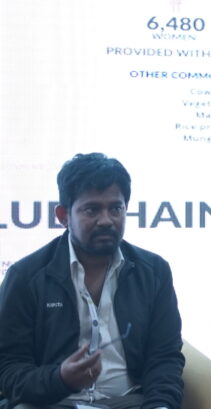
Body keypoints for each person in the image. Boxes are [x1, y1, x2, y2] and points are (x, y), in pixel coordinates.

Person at [0, 153, 184, 409]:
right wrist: (60, 379)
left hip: (130, 401)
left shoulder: (153, 272)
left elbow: (164, 358)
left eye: (115, 208)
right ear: (63, 216)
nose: (106, 220)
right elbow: (8, 369)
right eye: (92, 209)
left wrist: (160, 405)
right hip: (52, 402)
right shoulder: (26, 277)